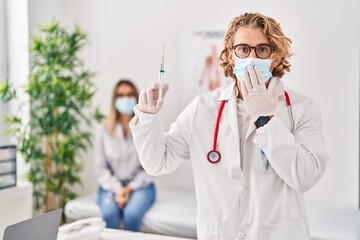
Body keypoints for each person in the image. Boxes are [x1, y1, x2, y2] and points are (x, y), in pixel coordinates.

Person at [130, 13, 329, 240]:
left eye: (262, 49)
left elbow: (305, 177)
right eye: (243, 49)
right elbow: (158, 162)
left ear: (274, 58)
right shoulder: (203, 109)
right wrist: (148, 119)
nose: (252, 57)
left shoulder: (301, 108)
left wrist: (265, 119)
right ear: (230, 56)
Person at [94, 79, 156, 231]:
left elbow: (150, 167)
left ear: (136, 97)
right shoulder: (104, 130)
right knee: (109, 215)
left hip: (140, 186)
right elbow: (100, 167)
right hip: (111, 186)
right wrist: (118, 189)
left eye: (129, 95)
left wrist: (129, 189)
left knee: (132, 215)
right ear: (114, 100)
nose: (125, 99)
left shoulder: (146, 128)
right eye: (120, 95)